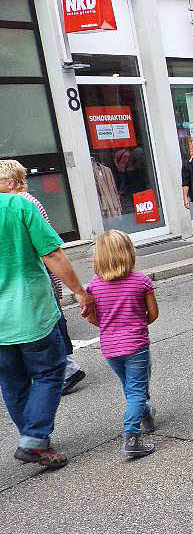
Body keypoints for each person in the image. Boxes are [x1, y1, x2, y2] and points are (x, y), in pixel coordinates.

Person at [0, 191, 95, 469]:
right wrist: (79, 291)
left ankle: (34, 439)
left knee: (12, 382)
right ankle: (34, 439)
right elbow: (52, 253)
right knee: (50, 371)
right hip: (29, 311)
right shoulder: (18, 206)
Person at [0, 159, 85, 395]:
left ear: (10, 182)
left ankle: (66, 369)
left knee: (52, 324)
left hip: (40, 279)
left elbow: (48, 249)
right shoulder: (22, 202)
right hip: (39, 279)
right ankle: (64, 368)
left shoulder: (23, 203)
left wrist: (74, 288)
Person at [84, 231, 159, 459]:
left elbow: (91, 317)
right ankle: (132, 436)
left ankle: (145, 412)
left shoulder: (94, 286)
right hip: (136, 344)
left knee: (130, 386)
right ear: (128, 252)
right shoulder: (141, 281)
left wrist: (111, 327)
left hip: (110, 347)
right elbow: (153, 314)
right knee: (137, 388)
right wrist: (134, 325)